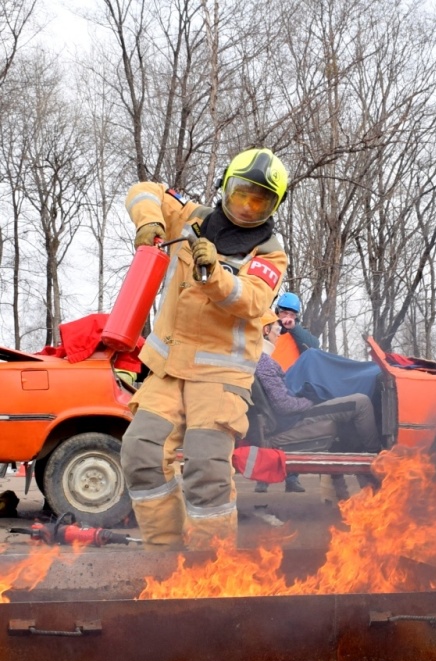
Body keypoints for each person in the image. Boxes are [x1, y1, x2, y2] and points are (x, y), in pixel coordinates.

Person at [120, 148, 289, 549]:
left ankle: (209, 573)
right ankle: (166, 558)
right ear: (224, 185)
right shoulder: (191, 217)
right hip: (167, 370)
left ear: (273, 206)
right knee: (141, 454)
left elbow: (251, 301)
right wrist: (150, 222)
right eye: (240, 193)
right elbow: (146, 190)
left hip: (218, 380)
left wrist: (213, 274)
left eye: (259, 200)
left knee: (206, 470)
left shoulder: (269, 252)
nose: (247, 208)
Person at [255, 314, 382, 468]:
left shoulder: (259, 360)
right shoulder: (264, 362)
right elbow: (283, 405)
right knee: (361, 402)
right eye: (277, 328)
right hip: (293, 418)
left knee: (350, 402)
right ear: (266, 330)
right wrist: (311, 400)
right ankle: (378, 459)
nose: (278, 334)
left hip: (290, 416)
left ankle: (346, 481)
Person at [255, 293, 319, 493]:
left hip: (291, 384)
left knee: (293, 432)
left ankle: (292, 478)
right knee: (268, 430)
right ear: (277, 312)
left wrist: (295, 328)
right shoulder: (268, 330)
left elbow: (314, 346)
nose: (286, 317)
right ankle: (262, 480)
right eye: (283, 312)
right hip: (268, 382)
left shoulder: (300, 334)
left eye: (291, 313)